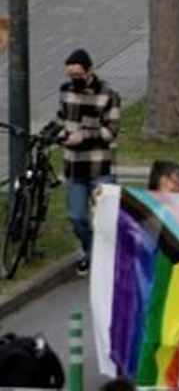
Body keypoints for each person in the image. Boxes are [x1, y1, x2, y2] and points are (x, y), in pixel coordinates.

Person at [57, 48, 120, 273]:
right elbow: (62, 117)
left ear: (89, 70)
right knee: (76, 217)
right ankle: (91, 250)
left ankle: (107, 257)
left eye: (77, 75)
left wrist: (83, 136)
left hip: (99, 165)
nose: (74, 80)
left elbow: (111, 131)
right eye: (70, 76)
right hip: (74, 165)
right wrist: (52, 133)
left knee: (105, 217)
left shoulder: (107, 95)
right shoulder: (65, 91)